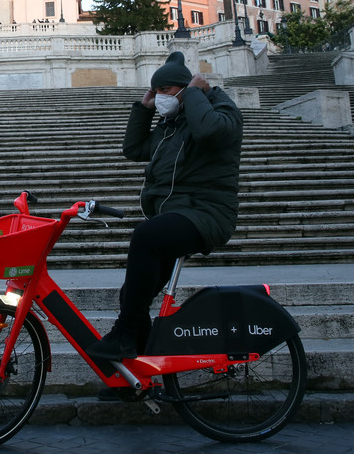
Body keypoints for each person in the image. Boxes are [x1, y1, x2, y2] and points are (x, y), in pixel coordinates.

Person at [86, 51, 244, 362]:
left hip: (207, 213)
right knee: (132, 295)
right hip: (177, 215)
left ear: (186, 90)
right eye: (156, 91)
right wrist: (143, 110)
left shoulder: (223, 111)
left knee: (146, 236)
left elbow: (209, 130)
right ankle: (138, 376)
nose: (160, 98)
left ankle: (125, 336)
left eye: (166, 91)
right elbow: (133, 149)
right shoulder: (169, 128)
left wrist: (199, 93)